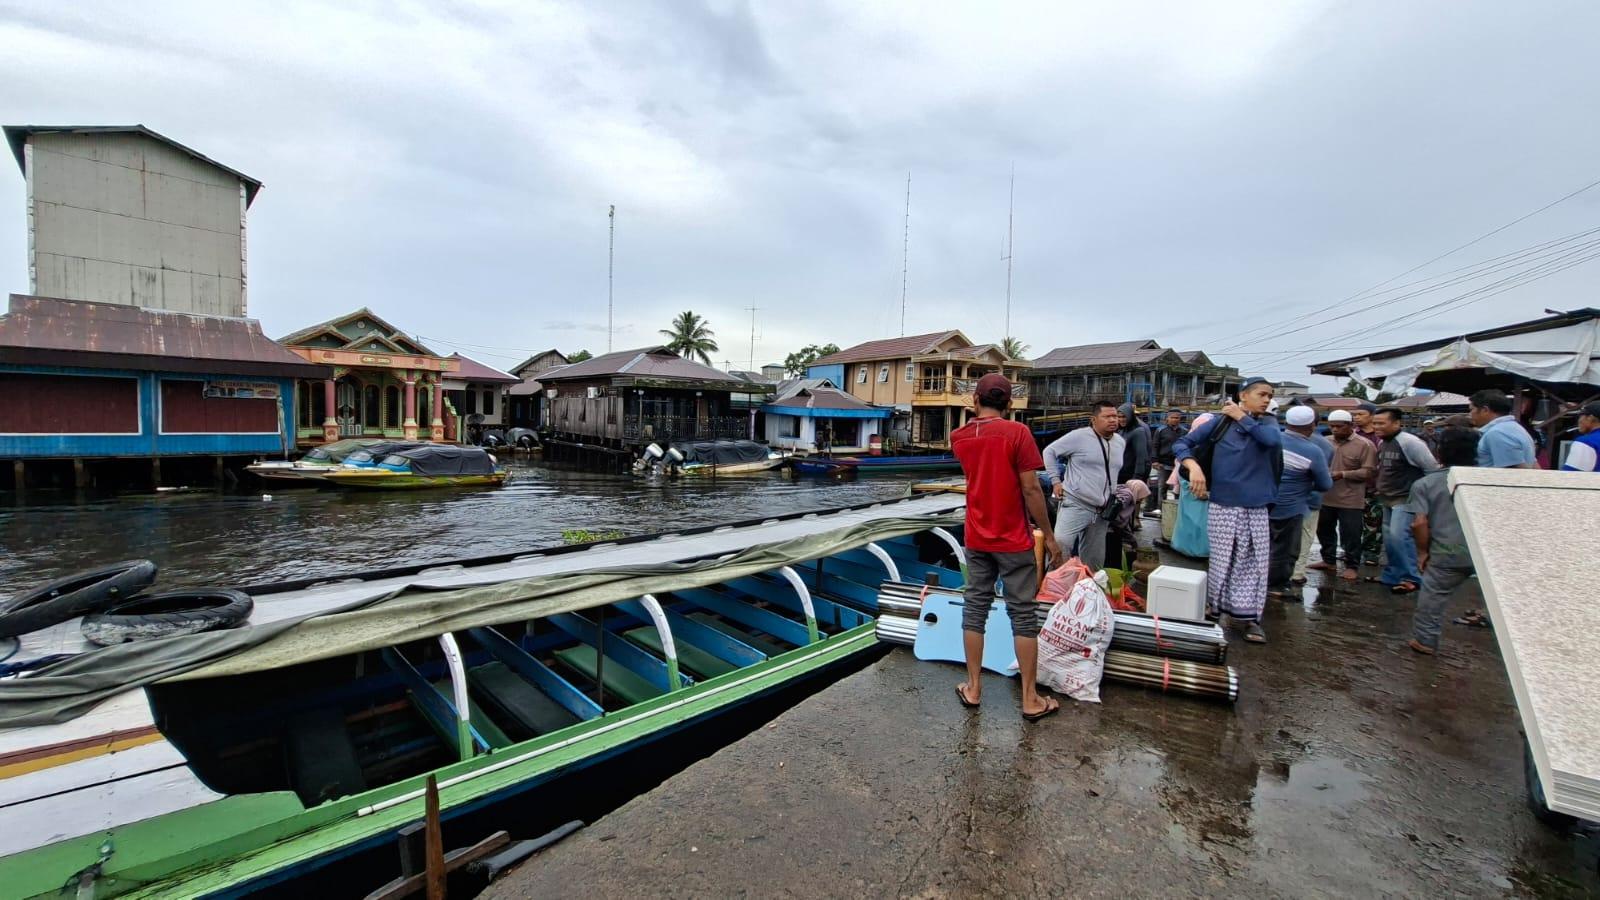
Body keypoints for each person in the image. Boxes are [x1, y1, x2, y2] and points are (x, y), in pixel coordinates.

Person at [949, 373, 1063, 721]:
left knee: (975, 608)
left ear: (975, 401)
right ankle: (1030, 699)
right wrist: (1050, 536)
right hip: (1013, 538)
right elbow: (1031, 489)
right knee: (1023, 614)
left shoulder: (959, 436)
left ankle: (973, 688)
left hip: (976, 536)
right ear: (1009, 404)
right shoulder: (1018, 433)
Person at [1176, 377, 1282, 644]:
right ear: (1243, 395)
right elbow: (1181, 444)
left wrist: (1241, 416)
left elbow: (1270, 441)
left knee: (1253, 564)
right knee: (1222, 560)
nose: (1267, 400)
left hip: (1255, 506)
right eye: (1261, 394)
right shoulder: (1219, 423)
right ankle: (1216, 608)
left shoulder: (1268, 423)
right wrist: (1193, 466)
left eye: (1270, 396)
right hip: (1223, 503)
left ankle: (1250, 619)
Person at [1407, 426, 1482, 655]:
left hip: (1448, 552)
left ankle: (1425, 640)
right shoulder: (1488, 480)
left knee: (1433, 596)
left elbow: (1419, 523)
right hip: (1487, 553)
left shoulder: (1426, 484)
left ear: (1439, 452)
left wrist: (1422, 552)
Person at [1042, 401, 1125, 571]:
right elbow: (1049, 452)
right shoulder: (1078, 437)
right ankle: (1053, 586)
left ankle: (1088, 587)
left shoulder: (1120, 442)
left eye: (1115, 416)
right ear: (1094, 420)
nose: (1113, 420)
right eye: (1107, 416)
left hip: (1102, 510)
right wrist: (1055, 481)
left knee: (1094, 561)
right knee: (1061, 548)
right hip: (1076, 503)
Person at [1371, 407, 1441, 594]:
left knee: (1400, 537)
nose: (1377, 427)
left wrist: (1425, 501)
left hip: (1406, 499)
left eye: (1381, 423)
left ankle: (1411, 578)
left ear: (1396, 423)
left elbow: (1431, 470)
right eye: (1375, 423)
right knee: (1390, 540)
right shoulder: (1383, 442)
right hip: (1387, 498)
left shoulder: (1411, 443)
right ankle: (1393, 575)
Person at [1268, 406, 1332, 599]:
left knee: (1261, 546)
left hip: (1262, 503)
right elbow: (1325, 484)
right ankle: (1276, 587)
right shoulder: (1313, 450)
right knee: (1286, 550)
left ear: (1286, 423)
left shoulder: (1272, 440)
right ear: (1312, 425)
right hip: (1291, 508)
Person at [1310, 410, 1378, 583]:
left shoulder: (1365, 445)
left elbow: (1369, 472)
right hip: (1326, 496)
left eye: (1339, 426)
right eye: (1332, 426)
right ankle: (1328, 560)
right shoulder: (1324, 442)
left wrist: (1343, 474)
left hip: (1350, 499)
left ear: (1350, 426)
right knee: (1324, 530)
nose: (1335, 429)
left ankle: (1352, 566)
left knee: (1351, 534)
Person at [1169, 412, 1215, 558]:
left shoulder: (1193, 442)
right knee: (1196, 519)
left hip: (1192, 480)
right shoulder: (1203, 446)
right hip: (1192, 481)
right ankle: (1197, 550)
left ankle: (1188, 548)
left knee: (1192, 518)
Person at [1351, 402, 1385, 567]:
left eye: (1361, 414)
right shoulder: (1352, 435)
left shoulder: (1381, 437)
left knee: (1373, 523)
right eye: (1355, 415)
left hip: (1374, 486)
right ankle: (1351, 551)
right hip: (1354, 486)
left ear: (1372, 416)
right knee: (1353, 522)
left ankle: (1371, 553)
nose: (1357, 418)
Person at [1469, 389, 1537, 469]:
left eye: (1471, 409)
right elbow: (1535, 465)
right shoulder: (1515, 428)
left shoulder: (1497, 433)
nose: (1470, 414)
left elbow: (1513, 471)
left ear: (1485, 410)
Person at [1150, 409, 1187, 510]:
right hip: (1163, 463)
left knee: (1178, 488)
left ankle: (1178, 509)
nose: (1175, 419)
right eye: (1172, 417)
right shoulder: (1160, 430)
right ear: (1167, 418)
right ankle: (1161, 509)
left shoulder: (1184, 431)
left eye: (1177, 418)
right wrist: (1154, 460)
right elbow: (1155, 445)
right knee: (1162, 487)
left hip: (1179, 464)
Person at [1115, 401, 1151, 496]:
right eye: (1119, 417)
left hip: (1131, 477)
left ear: (1130, 416)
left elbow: (1141, 457)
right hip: (1120, 475)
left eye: (1124, 417)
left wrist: (1136, 478)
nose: (1121, 420)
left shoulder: (1138, 431)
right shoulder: (1121, 431)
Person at [1561, 401, 1600, 471]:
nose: (1579, 421)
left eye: (1580, 416)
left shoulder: (1587, 442)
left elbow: (1570, 475)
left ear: (1590, 418)